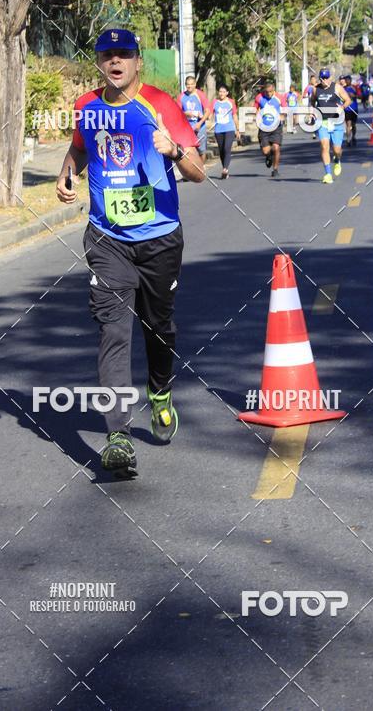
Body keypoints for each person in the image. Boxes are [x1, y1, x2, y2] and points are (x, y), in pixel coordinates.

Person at [56, 28, 204, 477]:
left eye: (124, 54)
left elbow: (198, 170)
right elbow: (79, 150)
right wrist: (66, 174)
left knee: (157, 325)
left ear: (138, 61)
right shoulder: (86, 106)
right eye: (107, 54)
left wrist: (173, 150)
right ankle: (118, 433)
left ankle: (159, 391)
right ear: (99, 62)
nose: (115, 61)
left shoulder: (160, 105)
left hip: (159, 238)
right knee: (113, 331)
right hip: (107, 239)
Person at [310, 67, 351, 184]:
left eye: (326, 78)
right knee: (324, 146)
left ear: (330, 78)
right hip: (322, 122)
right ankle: (328, 174)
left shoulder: (337, 88)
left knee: (337, 150)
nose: (324, 80)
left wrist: (342, 107)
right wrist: (313, 111)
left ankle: (337, 160)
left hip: (336, 121)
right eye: (322, 78)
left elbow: (348, 100)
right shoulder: (315, 89)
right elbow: (312, 101)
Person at [205, 84, 240, 178]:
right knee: (221, 150)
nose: (221, 93)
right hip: (218, 130)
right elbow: (210, 114)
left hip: (229, 129)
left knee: (226, 148)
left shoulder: (231, 102)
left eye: (224, 92)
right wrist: (208, 116)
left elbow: (235, 116)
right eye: (220, 91)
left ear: (227, 93)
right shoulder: (215, 102)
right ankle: (225, 168)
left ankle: (225, 169)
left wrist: (237, 129)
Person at [254, 80, 286, 178]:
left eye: (270, 92)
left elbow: (285, 109)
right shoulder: (259, 97)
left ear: (274, 90)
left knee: (276, 148)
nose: (268, 94)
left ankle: (275, 170)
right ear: (264, 91)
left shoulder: (279, 98)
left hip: (276, 127)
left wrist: (282, 116)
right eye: (266, 92)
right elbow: (255, 109)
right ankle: (268, 156)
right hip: (264, 127)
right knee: (265, 151)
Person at [177, 76, 209, 163]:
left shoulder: (200, 95)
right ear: (185, 85)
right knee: (188, 150)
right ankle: (193, 172)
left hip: (200, 127)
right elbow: (178, 113)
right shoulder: (181, 96)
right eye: (188, 84)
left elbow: (207, 111)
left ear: (195, 84)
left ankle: (202, 169)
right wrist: (188, 113)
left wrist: (200, 123)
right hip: (187, 128)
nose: (190, 86)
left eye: (191, 84)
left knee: (201, 151)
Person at [342, 74, 359, 147]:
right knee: (348, 124)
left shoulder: (354, 88)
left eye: (348, 80)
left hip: (354, 108)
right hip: (347, 109)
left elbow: (359, 96)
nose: (347, 81)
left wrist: (354, 95)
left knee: (354, 124)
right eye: (346, 80)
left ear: (350, 80)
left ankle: (353, 136)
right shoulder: (342, 89)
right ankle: (348, 139)